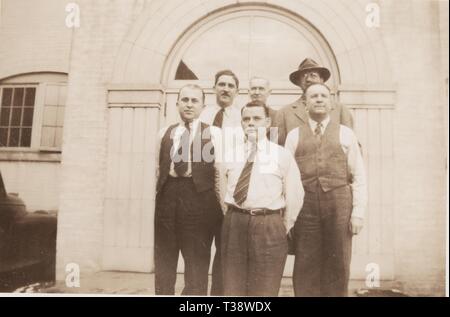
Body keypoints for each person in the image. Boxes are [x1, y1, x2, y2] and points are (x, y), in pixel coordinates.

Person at [284, 83, 367, 297]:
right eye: (313, 96)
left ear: (331, 103)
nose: (319, 99)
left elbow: (358, 176)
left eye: (323, 96)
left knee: (338, 262)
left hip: (339, 205)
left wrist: (358, 214)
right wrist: (288, 216)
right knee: (305, 262)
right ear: (305, 104)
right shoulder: (294, 136)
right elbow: (286, 179)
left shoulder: (346, 134)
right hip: (305, 207)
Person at [219, 100, 304, 296]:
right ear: (241, 123)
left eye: (256, 118)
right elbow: (223, 192)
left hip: (268, 224)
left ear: (267, 123)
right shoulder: (231, 155)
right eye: (246, 119)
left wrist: (281, 224)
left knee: (265, 287)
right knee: (233, 286)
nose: (251, 123)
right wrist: (233, 216)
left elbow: (295, 195)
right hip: (235, 223)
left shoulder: (281, 155)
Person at [154, 84, 223, 295]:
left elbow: (219, 171)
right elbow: (158, 170)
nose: (189, 104)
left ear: (203, 105)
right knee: (164, 260)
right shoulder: (164, 132)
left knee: (196, 262)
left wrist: (221, 206)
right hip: (168, 199)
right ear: (177, 104)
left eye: (194, 100)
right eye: (185, 100)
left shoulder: (214, 133)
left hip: (199, 200)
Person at [199, 69, 243, 295]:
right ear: (214, 87)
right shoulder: (202, 114)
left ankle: (218, 295)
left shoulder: (241, 118)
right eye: (221, 84)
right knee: (199, 248)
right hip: (202, 191)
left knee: (225, 249)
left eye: (230, 85)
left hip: (229, 192)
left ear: (237, 91)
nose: (225, 88)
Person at [273, 58, 354, 145]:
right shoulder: (283, 113)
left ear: (322, 80)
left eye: (313, 75)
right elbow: (273, 148)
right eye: (304, 76)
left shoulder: (340, 110)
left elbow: (353, 146)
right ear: (299, 82)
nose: (308, 79)